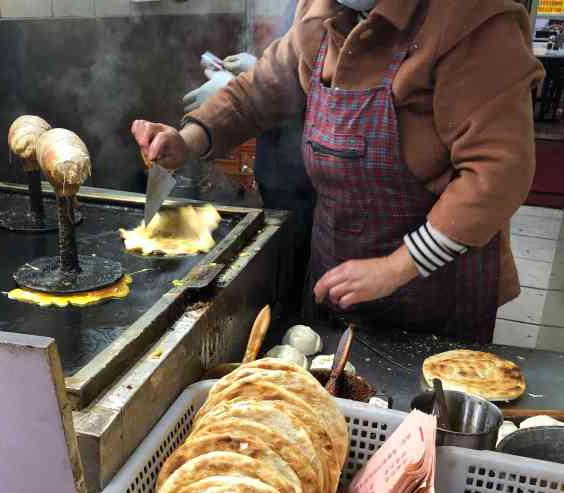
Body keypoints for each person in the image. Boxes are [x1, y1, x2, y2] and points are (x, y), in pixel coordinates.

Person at [133, 0, 544, 343]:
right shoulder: (327, 11)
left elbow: (497, 172)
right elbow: (258, 92)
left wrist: (396, 267)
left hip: (436, 290)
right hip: (338, 275)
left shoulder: (474, 20)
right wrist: (190, 138)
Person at [183, 2, 316, 305]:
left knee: (297, 282)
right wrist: (257, 71)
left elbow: (328, 90)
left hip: (307, 183)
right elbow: (293, 65)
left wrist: (249, 80)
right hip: (279, 178)